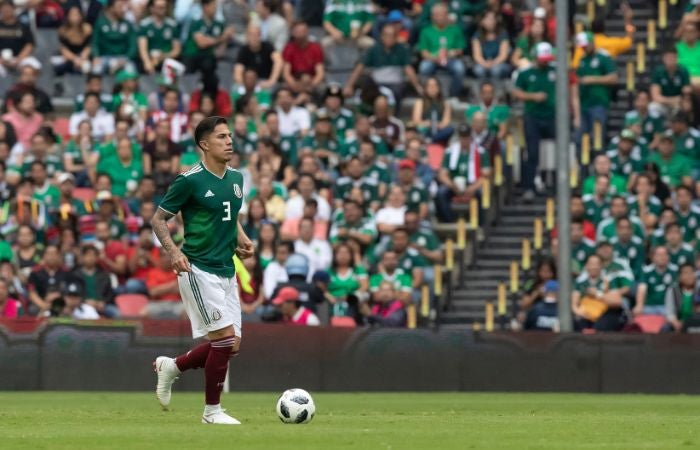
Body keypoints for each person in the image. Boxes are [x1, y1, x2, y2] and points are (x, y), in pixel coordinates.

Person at [151, 116, 255, 425]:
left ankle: (173, 367)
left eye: (229, 136)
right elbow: (158, 220)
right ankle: (212, 412)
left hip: (226, 269)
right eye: (221, 137)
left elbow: (230, 216)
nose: (229, 141)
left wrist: (242, 239)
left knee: (231, 345)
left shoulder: (236, 178)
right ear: (204, 144)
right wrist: (174, 252)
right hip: (198, 267)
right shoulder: (190, 180)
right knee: (223, 340)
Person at [512, 42, 556, 201]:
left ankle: (555, 185)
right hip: (532, 116)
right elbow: (516, 91)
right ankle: (528, 186)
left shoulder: (555, 71)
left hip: (553, 115)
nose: (545, 61)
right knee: (532, 152)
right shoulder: (525, 73)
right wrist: (533, 96)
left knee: (560, 151)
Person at [343, 24, 422, 111]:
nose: (389, 38)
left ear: (396, 37)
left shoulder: (402, 50)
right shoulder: (373, 50)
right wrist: (349, 85)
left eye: (392, 36)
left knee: (397, 92)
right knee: (366, 89)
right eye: (386, 35)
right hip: (377, 82)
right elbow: (360, 67)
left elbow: (408, 69)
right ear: (382, 36)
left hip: (395, 83)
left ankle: (393, 116)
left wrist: (417, 86)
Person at [436, 123, 491, 223]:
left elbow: (486, 176)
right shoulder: (450, 152)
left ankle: (480, 224)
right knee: (441, 193)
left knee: (482, 193)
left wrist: (472, 188)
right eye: (462, 137)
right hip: (454, 184)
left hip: (473, 184)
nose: (464, 140)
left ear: (471, 137)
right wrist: (452, 185)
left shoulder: (481, 152)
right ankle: (450, 222)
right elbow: (442, 174)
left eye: (467, 137)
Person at [575, 31, 619, 145]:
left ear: (592, 42)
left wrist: (592, 79)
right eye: (582, 47)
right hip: (584, 104)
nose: (584, 49)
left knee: (597, 138)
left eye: (586, 46)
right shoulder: (582, 60)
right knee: (581, 138)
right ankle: (583, 162)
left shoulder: (604, 57)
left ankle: (598, 160)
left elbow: (614, 78)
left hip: (599, 103)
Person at [416, 3, 465, 98]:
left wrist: (451, 53)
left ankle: (453, 96)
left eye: (442, 14)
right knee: (424, 67)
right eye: (436, 15)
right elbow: (424, 52)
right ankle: (427, 95)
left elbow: (460, 49)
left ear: (447, 15)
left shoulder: (455, 30)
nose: (439, 17)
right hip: (432, 59)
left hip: (451, 58)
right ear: (432, 16)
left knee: (460, 68)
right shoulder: (426, 31)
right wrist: (435, 57)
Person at [572, 254, 626, 332]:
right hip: (585, 314)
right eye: (591, 264)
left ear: (601, 266)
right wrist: (579, 312)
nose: (594, 267)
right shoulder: (580, 283)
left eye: (597, 264)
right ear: (586, 266)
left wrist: (597, 294)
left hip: (604, 314)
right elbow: (574, 305)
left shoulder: (609, 281)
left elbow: (617, 302)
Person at [181, 0, 234, 76]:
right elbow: (202, 43)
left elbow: (221, 50)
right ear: (205, 7)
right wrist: (221, 38)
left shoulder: (219, 24)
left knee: (212, 64)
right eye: (213, 6)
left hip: (209, 57)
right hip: (193, 55)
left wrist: (225, 38)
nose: (215, 9)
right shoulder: (196, 22)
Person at [91, 0, 137, 74]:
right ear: (111, 8)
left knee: (131, 71)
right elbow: (94, 42)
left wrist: (126, 58)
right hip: (104, 57)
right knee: (96, 69)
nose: (123, 9)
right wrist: (96, 56)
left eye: (124, 7)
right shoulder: (100, 22)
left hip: (123, 58)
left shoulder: (127, 24)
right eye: (120, 7)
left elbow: (133, 46)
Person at [282, 21, 325, 99]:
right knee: (282, 91)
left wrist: (311, 85)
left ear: (307, 32)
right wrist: (294, 85)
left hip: (311, 81)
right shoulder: (289, 48)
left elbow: (320, 73)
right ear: (293, 33)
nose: (300, 34)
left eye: (303, 31)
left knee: (323, 90)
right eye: (298, 32)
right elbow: (286, 73)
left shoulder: (316, 48)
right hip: (295, 81)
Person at [137, 0, 181, 75]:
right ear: (152, 8)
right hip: (150, 58)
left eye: (164, 7)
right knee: (145, 66)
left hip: (167, 58)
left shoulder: (172, 25)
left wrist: (164, 56)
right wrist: (147, 62)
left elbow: (177, 50)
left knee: (174, 66)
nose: (162, 10)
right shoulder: (145, 25)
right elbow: (142, 48)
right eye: (159, 7)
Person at [635, 247, 679, 316]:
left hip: (668, 307)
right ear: (653, 257)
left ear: (668, 257)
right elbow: (642, 289)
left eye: (664, 254)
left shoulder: (675, 270)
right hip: (649, 306)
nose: (662, 257)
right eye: (659, 255)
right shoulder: (646, 271)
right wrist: (639, 305)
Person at [27, 245, 68, 316]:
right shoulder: (35, 272)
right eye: (49, 253)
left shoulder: (66, 272)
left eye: (54, 253)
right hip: (41, 304)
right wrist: (44, 305)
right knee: (32, 309)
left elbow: (69, 293)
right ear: (44, 256)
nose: (51, 256)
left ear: (59, 256)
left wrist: (59, 298)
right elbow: (32, 293)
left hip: (61, 304)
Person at [411, 77, 453, 144]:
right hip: (425, 130)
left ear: (439, 88)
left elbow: (445, 123)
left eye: (435, 85)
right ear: (425, 88)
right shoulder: (420, 102)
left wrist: (432, 124)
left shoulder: (445, 104)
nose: (432, 88)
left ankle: (431, 140)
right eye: (430, 86)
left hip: (439, 131)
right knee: (416, 129)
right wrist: (429, 124)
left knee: (450, 129)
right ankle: (431, 140)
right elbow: (416, 121)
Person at [650, 47, 691, 116]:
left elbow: (687, 92)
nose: (670, 60)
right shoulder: (658, 72)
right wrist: (672, 100)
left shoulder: (683, 71)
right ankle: (657, 126)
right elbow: (655, 96)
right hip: (664, 103)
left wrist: (683, 101)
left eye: (673, 57)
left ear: (677, 58)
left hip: (678, 104)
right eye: (668, 58)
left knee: (686, 107)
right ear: (663, 58)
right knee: (653, 107)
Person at [471, 10, 511, 79]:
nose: (490, 22)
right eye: (488, 19)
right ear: (482, 22)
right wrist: (485, 64)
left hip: (499, 63)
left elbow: (503, 56)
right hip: (483, 63)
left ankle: (497, 89)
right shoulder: (477, 35)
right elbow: (477, 56)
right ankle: (482, 89)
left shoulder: (503, 35)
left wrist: (493, 63)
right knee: (479, 70)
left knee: (495, 70)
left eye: (492, 19)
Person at [55, 6, 93, 76]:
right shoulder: (62, 31)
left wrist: (82, 58)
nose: (76, 17)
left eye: (78, 14)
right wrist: (75, 59)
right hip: (68, 58)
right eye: (73, 15)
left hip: (83, 57)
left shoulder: (87, 29)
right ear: (68, 16)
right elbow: (63, 49)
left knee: (87, 67)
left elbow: (89, 46)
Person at [0, 0, 34, 74]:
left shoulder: (23, 26)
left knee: (33, 66)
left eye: (8, 8)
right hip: (1, 60)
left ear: (14, 9)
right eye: (3, 8)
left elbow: (29, 44)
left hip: (20, 58)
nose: (6, 10)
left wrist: (19, 59)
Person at [664, 263, 700, 332]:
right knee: (665, 328)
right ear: (679, 277)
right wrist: (675, 322)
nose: (690, 276)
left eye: (692, 272)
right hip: (679, 323)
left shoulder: (699, 288)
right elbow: (669, 312)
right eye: (686, 273)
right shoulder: (673, 290)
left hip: (697, 322)